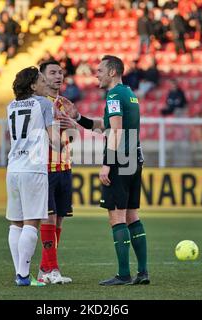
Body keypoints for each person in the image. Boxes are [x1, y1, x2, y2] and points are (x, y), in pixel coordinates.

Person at [63, 55, 149, 286]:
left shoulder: (113, 95)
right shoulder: (129, 94)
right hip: (134, 158)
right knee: (132, 215)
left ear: (112, 72)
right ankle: (143, 272)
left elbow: (117, 131)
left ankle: (123, 274)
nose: (96, 74)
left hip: (119, 161)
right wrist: (78, 118)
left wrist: (107, 163)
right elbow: (105, 126)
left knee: (116, 217)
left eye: (100, 70)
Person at [6, 66, 60, 287]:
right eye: (40, 80)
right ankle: (24, 275)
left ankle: (20, 273)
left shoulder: (10, 106)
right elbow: (54, 140)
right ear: (32, 85)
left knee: (15, 224)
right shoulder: (44, 104)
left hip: (13, 168)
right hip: (33, 168)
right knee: (31, 223)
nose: (44, 82)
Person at [37, 60, 75, 284]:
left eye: (60, 72)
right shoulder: (38, 104)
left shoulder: (64, 103)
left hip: (65, 166)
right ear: (42, 78)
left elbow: (71, 134)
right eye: (52, 73)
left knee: (59, 220)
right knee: (49, 219)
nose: (58, 76)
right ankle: (52, 269)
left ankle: (46, 269)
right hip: (45, 168)